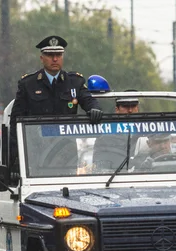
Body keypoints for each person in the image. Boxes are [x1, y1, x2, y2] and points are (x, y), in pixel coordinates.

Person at [9, 35, 103, 166]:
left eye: (58, 55)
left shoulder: (74, 82)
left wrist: (95, 109)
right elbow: (15, 124)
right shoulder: (28, 84)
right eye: (50, 55)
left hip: (65, 154)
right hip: (35, 154)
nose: (54, 59)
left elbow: (88, 100)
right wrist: (15, 162)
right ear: (42, 58)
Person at [92, 91, 141, 171]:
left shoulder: (146, 130)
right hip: (115, 176)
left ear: (137, 108)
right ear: (117, 110)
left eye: (133, 106)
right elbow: (99, 164)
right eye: (125, 106)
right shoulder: (107, 134)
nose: (130, 110)